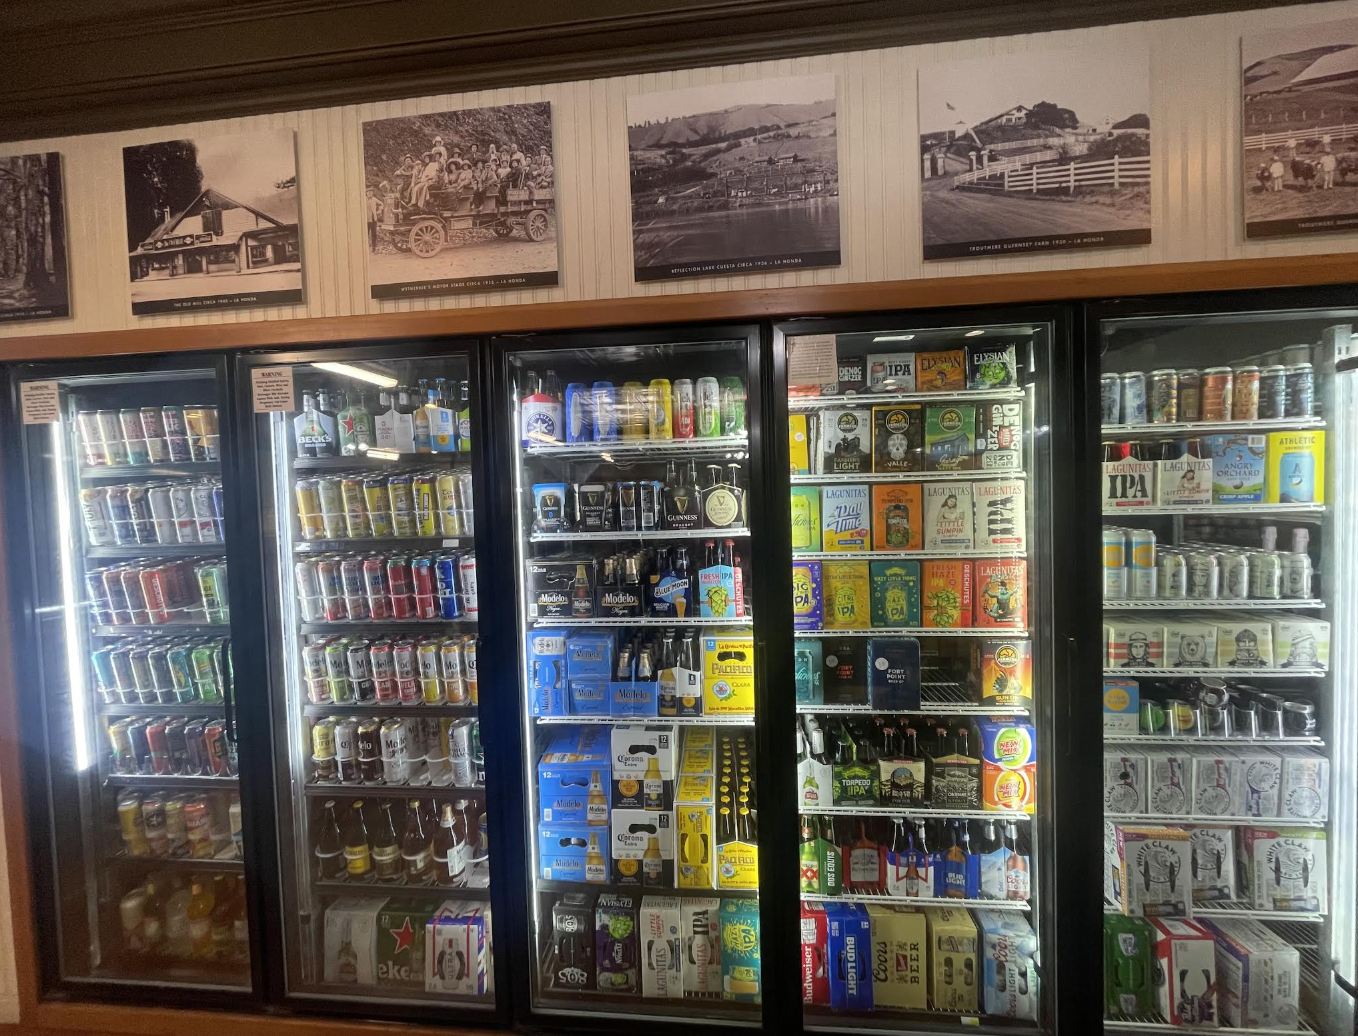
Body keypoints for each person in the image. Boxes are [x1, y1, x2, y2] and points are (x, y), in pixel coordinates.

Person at [365, 187, 383, 251]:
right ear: (366, 193)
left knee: (374, 234)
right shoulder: (363, 199)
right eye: (368, 192)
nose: (370, 193)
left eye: (371, 192)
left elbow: (381, 204)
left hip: (374, 219)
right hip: (366, 220)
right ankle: (365, 248)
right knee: (365, 234)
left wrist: (379, 211)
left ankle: (373, 248)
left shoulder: (374, 199)